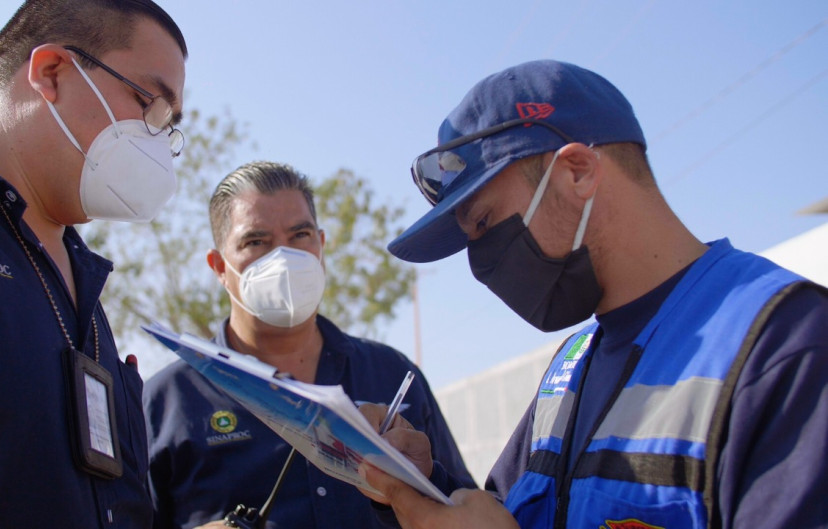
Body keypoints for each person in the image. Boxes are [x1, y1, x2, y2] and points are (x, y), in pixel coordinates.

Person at [357, 60, 828, 528]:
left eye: (484, 223)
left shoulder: (785, 345)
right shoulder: (571, 367)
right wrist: (421, 482)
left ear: (577, 172)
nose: (481, 265)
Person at [0, 1, 187, 527]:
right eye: (147, 103)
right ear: (51, 73)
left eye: (170, 125)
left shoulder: (84, 292)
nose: (157, 141)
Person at [142, 160, 474, 529]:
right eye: (256, 241)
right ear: (220, 266)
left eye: (300, 236)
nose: (283, 258)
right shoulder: (165, 403)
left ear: (321, 244)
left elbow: (465, 507)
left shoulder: (392, 374)